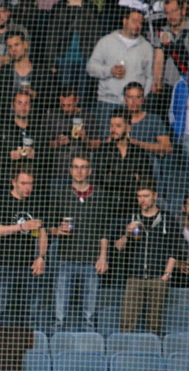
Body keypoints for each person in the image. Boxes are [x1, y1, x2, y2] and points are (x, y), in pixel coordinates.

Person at [50, 154, 109, 331]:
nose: (79, 171)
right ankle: (57, 338)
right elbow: (49, 227)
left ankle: (89, 342)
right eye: (76, 167)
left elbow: (104, 230)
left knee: (89, 312)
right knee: (60, 312)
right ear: (70, 170)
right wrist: (57, 230)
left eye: (83, 167)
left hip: (91, 260)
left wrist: (103, 257)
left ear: (89, 170)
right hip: (65, 258)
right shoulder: (60, 195)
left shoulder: (100, 195)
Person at [0, 165, 48, 331]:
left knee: (30, 314)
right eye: (23, 183)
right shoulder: (1, 201)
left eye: (30, 184)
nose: (28, 188)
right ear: (13, 182)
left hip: (28, 267)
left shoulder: (36, 203)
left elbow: (42, 233)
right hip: (3, 265)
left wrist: (41, 256)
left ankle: (31, 352)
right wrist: (20, 227)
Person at [114, 180, 179, 335]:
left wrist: (166, 275)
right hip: (134, 278)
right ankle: (125, 355)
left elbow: (175, 249)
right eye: (139, 196)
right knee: (126, 322)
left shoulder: (167, 218)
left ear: (155, 196)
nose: (142, 200)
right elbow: (118, 247)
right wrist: (126, 234)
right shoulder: (130, 217)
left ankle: (153, 355)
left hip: (158, 278)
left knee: (154, 324)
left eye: (146, 196)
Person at [87, 10, 155, 137]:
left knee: (132, 145)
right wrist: (109, 71)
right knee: (105, 143)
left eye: (140, 23)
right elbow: (91, 67)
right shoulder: (106, 41)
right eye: (134, 21)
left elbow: (149, 76)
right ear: (125, 21)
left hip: (133, 108)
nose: (138, 25)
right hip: (108, 103)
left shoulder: (147, 47)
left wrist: (139, 99)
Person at [95, 108, 155, 215]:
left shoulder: (140, 154)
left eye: (118, 126)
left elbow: (145, 184)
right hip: (106, 209)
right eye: (111, 125)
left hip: (133, 210)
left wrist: (113, 176)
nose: (113, 129)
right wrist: (131, 178)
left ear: (128, 128)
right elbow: (101, 180)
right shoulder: (102, 151)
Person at [45, 86, 101, 183]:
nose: (66, 108)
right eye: (63, 105)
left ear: (77, 100)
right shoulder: (52, 117)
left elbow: (97, 146)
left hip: (82, 174)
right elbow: (44, 145)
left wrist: (85, 139)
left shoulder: (88, 117)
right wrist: (57, 143)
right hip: (58, 172)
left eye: (70, 105)